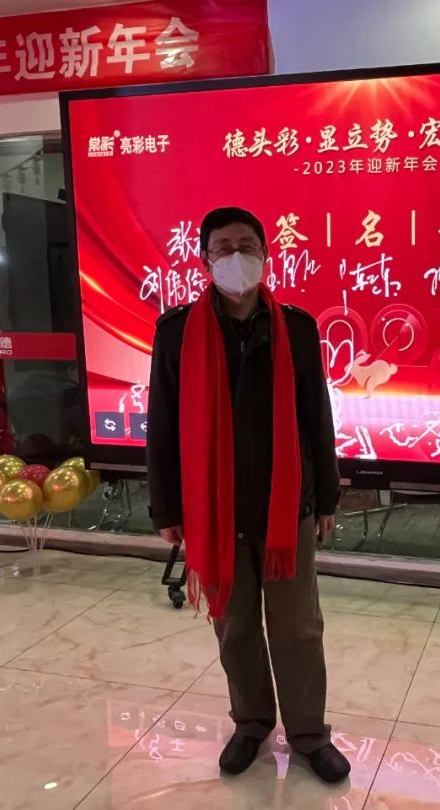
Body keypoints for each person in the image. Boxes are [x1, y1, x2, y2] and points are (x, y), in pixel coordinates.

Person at [146, 206, 350, 783]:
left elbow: (316, 419)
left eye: (246, 246)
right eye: (223, 248)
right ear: (204, 260)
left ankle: (309, 734)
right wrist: (167, 508)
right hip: (214, 512)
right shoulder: (176, 332)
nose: (236, 257)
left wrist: (327, 497)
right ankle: (251, 722)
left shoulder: (298, 329)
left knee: (298, 628)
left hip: (287, 506)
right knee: (233, 626)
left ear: (265, 253)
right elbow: (162, 425)